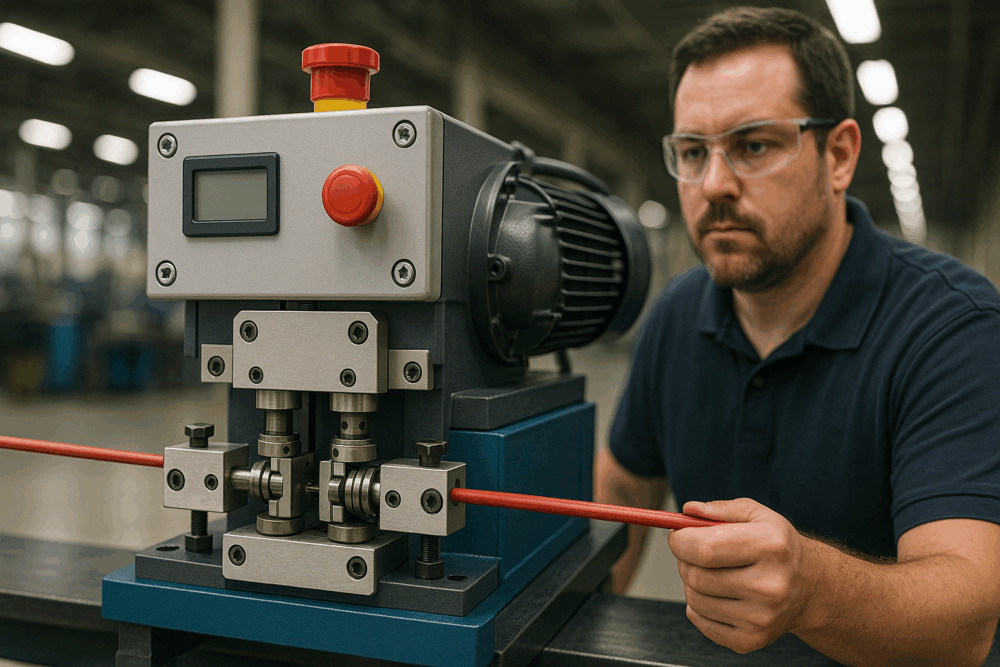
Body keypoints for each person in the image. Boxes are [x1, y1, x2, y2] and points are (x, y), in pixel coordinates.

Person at [595, 6, 1000, 665]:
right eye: (693, 152)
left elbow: (964, 621)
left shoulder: (951, 325)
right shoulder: (675, 315)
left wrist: (813, 589)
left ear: (838, 155)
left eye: (754, 145)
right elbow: (621, 486)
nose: (714, 185)